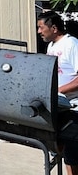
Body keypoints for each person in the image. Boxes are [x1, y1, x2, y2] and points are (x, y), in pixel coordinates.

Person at [37, 10, 78, 174]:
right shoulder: (51, 46)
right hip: (58, 107)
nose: (39, 31)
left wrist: (57, 90)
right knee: (62, 151)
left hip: (74, 108)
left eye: (41, 27)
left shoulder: (72, 44)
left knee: (73, 156)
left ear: (54, 28)